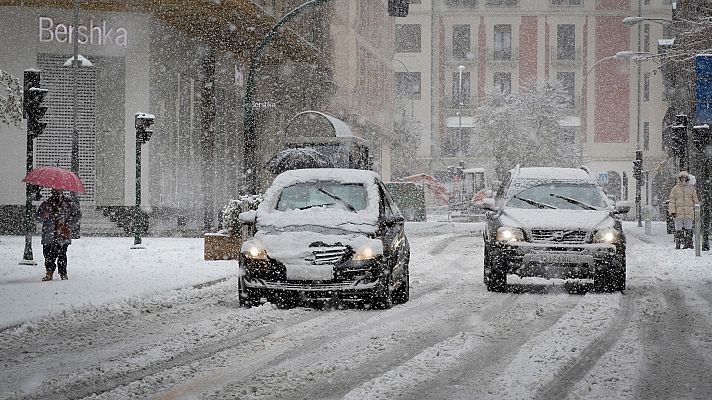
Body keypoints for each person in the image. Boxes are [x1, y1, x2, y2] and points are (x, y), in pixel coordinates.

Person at [36, 189, 81, 281]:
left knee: (62, 254)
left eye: (59, 191)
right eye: (55, 191)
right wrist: (43, 216)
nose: (57, 192)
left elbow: (77, 215)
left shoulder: (68, 203)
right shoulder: (46, 204)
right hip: (49, 235)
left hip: (62, 234)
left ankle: (63, 273)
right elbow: (38, 218)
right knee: (48, 255)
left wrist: (68, 225)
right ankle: (49, 272)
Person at [668, 171, 699, 249]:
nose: (683, 179)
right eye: (682, 178)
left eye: (685, 178)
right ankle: (678, 243)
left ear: (687, 178)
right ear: (679, 178)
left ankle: (689, 243)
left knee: (689, 228)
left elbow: (695, 199)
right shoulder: (675, 189)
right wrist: (673, 211)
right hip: (678, 212)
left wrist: (697, 209)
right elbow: (672, 201)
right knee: (678, 228)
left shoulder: (691, 188)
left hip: (689, 212)